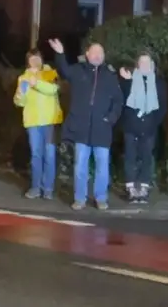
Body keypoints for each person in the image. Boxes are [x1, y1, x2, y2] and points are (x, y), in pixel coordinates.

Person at [47, 38, 124, 210]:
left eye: (100, 53)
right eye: (94, 52)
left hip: (102, 130)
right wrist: (60, 54)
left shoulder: (110, 76)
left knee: (102, 167)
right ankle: (79, 198)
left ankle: (101, 198)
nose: (97, 55)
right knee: (80, 166)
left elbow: (118, 101)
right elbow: (64, 71)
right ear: (87, 54)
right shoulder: (78, 70)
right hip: (81, 129)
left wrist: (110, 118)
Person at [14, 49, 64, 200]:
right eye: (32, 59)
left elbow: (54, 89)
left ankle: (48, 189)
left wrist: (36, 83)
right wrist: (20, 95)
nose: (35, 61)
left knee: (49, 155)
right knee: (36, 155)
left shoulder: (49, 72)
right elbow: (19, 102)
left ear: (41, 59)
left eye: (37, 58)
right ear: (28, 62)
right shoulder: (23, 78)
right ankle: (35, 187)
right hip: (33, 122)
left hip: (49, 121)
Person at [118, 53, 165, 204]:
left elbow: (162, 107)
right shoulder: (129, 80)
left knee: (147, 158)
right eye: (142, 62)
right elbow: (122, 101)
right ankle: (131, 189)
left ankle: (144, 188)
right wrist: (126, 82)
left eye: (147, 62)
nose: (144, 65)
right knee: (130, 157)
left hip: (149, 127)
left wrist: (154, 123)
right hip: (131, 126)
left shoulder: (158, 83)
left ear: (152, 65)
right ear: (137, 65)